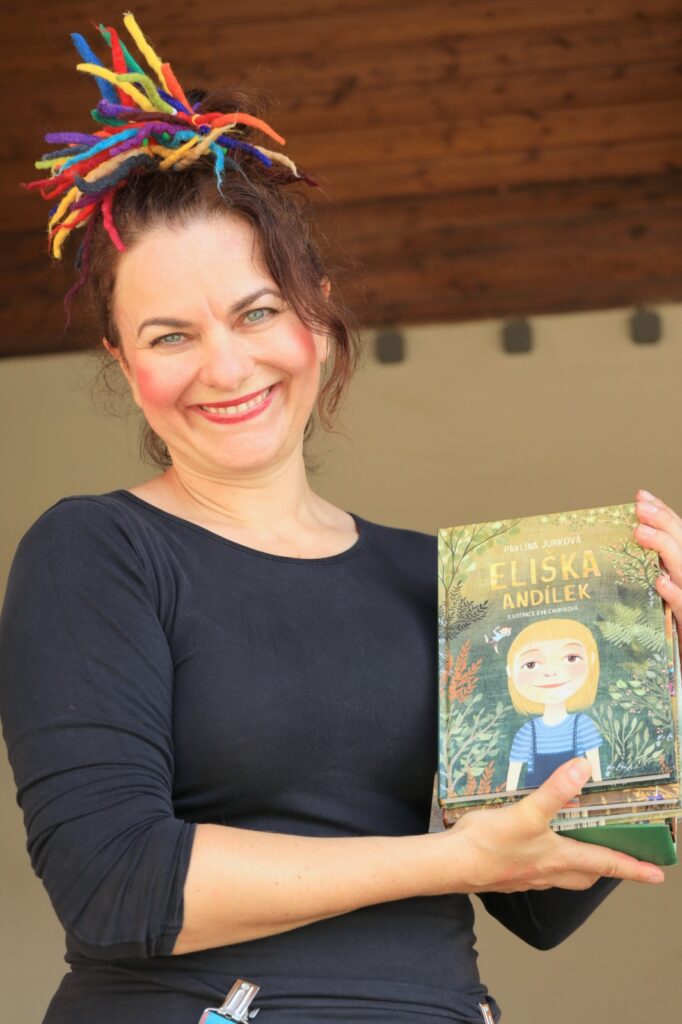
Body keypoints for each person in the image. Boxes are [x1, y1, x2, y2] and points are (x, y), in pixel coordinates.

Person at [0, 14, 678, 1024]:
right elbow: (114, 883)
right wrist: (447, 861)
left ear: (316, 312)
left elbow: (537, 894)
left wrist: (660, 675)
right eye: (170, 335)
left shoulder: (439, 578)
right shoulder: (97, 553)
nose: (226, 366)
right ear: (122, 361)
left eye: (257, 311)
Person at [504, 619, 604, 792]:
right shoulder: (527, 733)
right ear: (510, 671)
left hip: (580, 801)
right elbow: (511, 786)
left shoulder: (582, 725)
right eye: (531, 664)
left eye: (571, 658)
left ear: (591, 659)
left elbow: (597, 777)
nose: (551, 672)